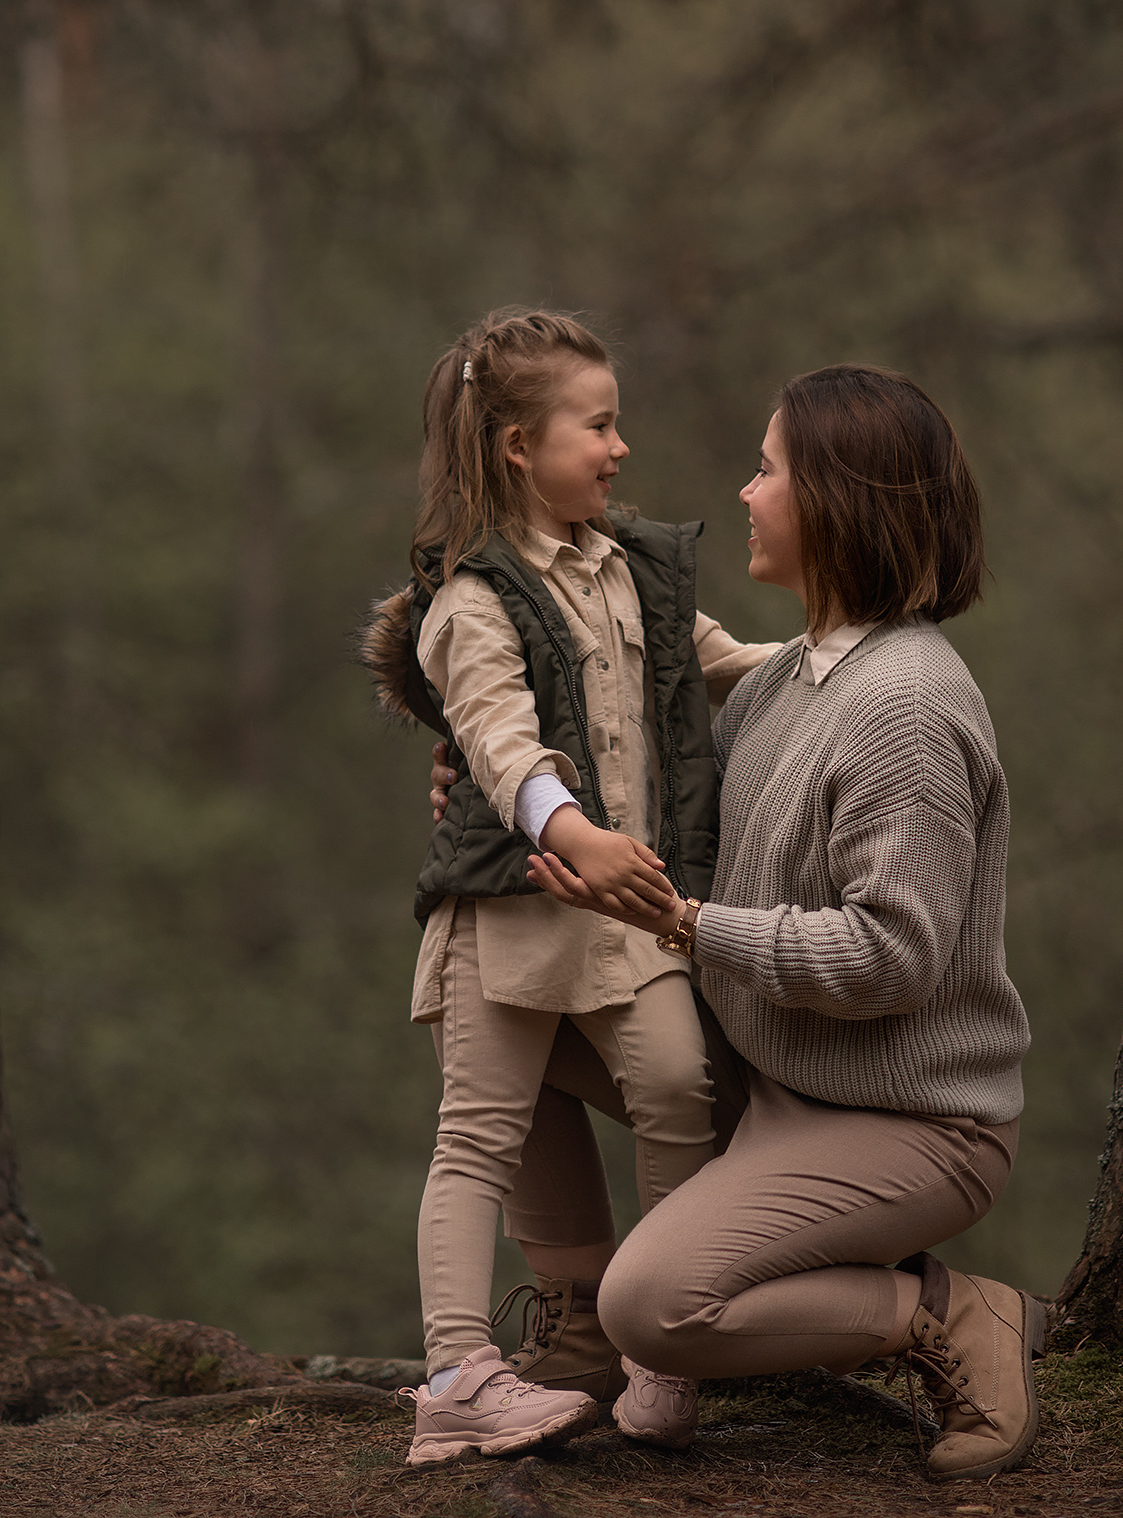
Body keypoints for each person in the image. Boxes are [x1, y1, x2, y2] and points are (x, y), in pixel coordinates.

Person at [523, 364, 1040, 1483]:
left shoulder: (903, 708)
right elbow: (656, 749)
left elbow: (892, 960)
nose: (745, 494)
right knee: (509, 1017)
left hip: (911, 1122)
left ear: (838, 502)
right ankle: (571, 1340)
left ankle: (945, 1312)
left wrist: (689, 924)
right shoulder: (788, 680)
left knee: (657, 1307)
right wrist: (500, 784)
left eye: (766, 471)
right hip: (772, 1077)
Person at [361, 309, 778, 1465]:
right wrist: (571, 829)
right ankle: (456, 1376)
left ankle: (660, 1350)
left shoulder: (635, 564)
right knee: (477, 1135)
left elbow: (731, 670)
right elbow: (497, 742)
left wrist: (844, 667)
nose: (618, 446)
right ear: (513, 445)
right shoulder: (470, 599)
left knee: (676, 1085)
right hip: (512, 910)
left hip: (626, 918)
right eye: (595, 425)